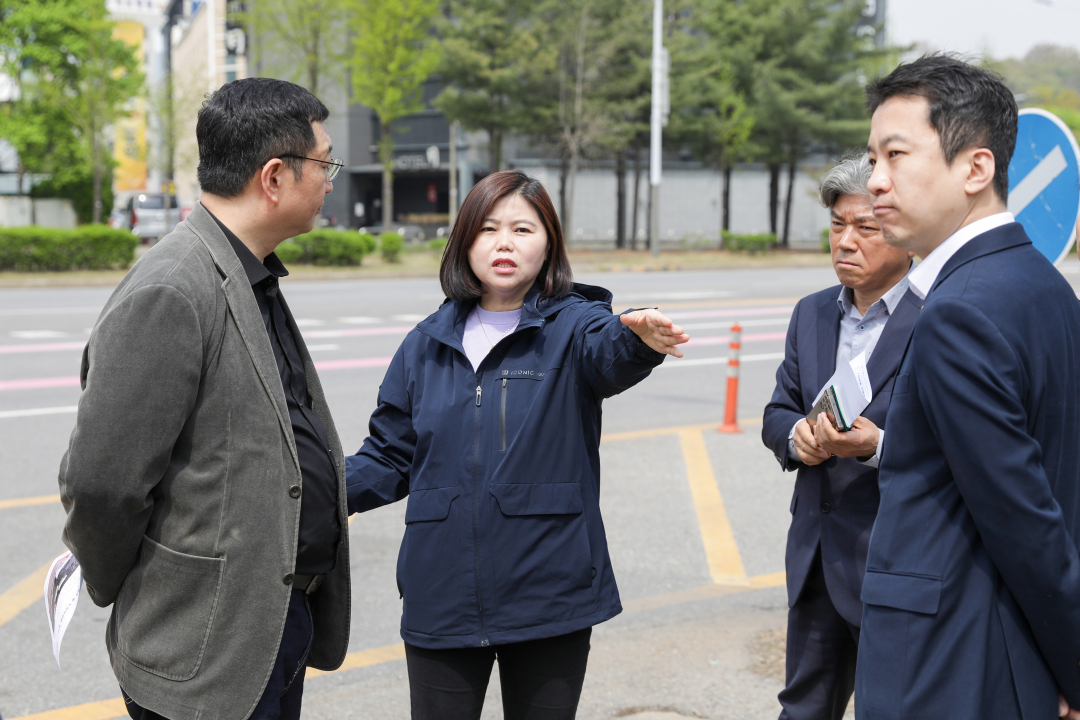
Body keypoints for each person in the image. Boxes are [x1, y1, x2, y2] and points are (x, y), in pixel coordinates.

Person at [344, 169, 689, 720]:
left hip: (548, 593)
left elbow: (609, 353)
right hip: (442, 594)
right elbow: (388, 455)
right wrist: (308, 491)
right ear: (464, 242)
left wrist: (634, 337)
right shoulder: (423, 345)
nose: (504, 243)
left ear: (548, 242)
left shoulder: (577, 327)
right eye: (487, 228)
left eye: (523, 229)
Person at [57, 78, 351, 720]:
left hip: (266, 627)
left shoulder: (249, 273)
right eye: (325, 163)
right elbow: (102, 484)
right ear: (275, 177)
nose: (331, 179)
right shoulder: (174, 289)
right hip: (205, 648)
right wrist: (129, 587)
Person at [854, 54, 1080, 720]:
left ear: (976, 169)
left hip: (953, 663)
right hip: (1010, 655)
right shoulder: (1045, 287)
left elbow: (1023, 518)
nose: (875, 182)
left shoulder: (960, 312)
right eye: (871, 160)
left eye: (896, 156)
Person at [762, 153, 918, 720]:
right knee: (803, 708)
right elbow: (778, 409)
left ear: (902, 235)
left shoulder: (940, 318)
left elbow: (959, 440)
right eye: (836, 226)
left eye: (866, 227)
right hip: (815, 557)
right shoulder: (811, 314)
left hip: (895, 563)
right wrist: (796, 437)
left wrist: (877, 445)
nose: (845, 242)